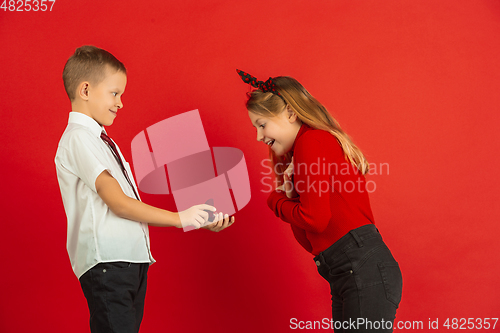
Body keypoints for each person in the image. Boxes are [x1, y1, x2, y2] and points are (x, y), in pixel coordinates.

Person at [55, 45, 234, 333]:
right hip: (109, 264)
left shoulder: (100, 140)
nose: (121, 103)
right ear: (85, 90)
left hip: (128, 261)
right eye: (114, 93)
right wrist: (181, 218)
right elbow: (118, 202)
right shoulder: (79, 138)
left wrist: (195, 219)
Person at [238, 70, 402, 332]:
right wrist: (289, 192)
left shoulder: (312, 141)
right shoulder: (306, 148)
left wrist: (275, 200)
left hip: (361, 268)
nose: (259, 136)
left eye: (262, 124)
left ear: (291, 113)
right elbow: (310, 240)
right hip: (347, 270)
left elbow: (314, 219)